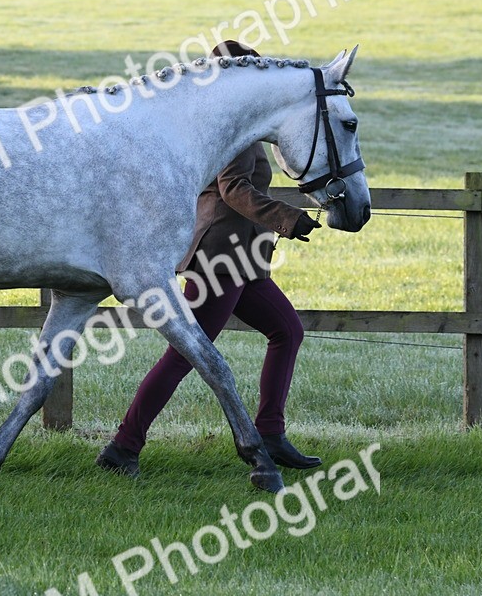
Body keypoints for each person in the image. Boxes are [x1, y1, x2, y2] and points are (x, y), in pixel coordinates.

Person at [96, 40, 322, 477]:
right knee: (186, 353)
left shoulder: (241, 123)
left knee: (286, 330)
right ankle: (123, 447)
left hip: (242, 257)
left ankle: (271, 433)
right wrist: (285, 218)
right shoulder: (228, 125)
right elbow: (233, 189)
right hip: (219, 256)